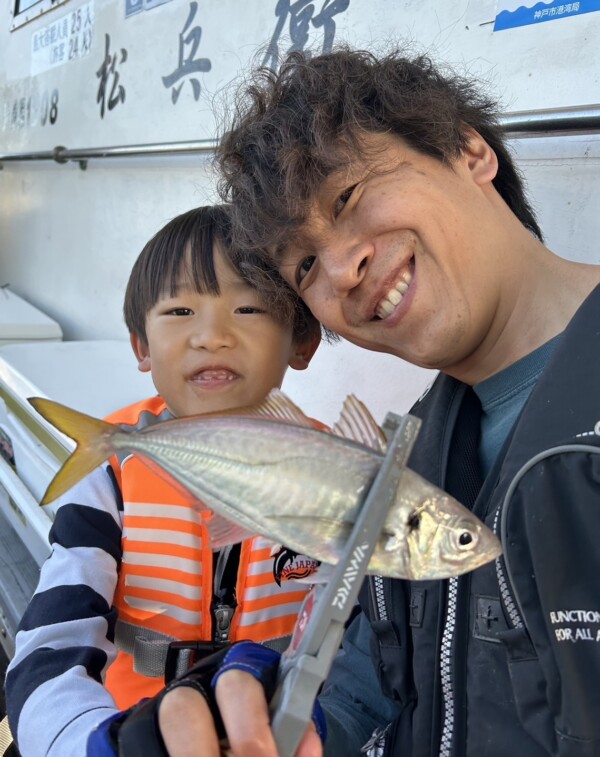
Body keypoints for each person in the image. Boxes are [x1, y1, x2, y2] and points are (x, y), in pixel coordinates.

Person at [98, 48, 600, 756]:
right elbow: (381, 674)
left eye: (347, 197)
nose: (340, 268)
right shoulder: (422, 443)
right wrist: (287, 724)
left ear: (470, 150)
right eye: (304, 265)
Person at [3, 204, 323, 756]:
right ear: (141, 348)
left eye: (248, 306)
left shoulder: (334, 471)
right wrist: (101, 743)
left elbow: (366, 646)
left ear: (302, 342)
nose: (212, 335)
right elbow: (46, 653)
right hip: (130, 731)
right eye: (179, 310)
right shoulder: (112, 473)